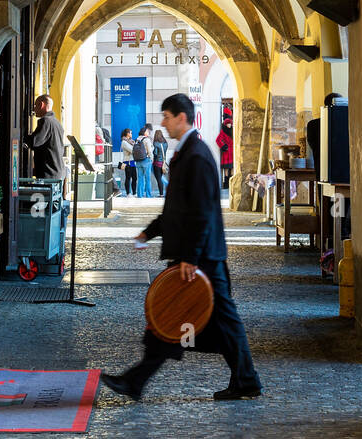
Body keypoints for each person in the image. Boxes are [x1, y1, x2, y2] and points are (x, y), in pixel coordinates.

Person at [100, 93, 262, 402]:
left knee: (181, 316)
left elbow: (201, 212)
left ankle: (245, 379)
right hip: (197, 255)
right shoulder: (188, 152)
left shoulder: (197, 155)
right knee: (178, 317)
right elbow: (177, 207)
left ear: (181, 119)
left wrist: (190, 257)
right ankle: (244, 379)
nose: (163, 122)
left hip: (203, 258)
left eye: (167, 116)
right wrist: (148, 234)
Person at [23, 95, 70, 242]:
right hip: (57, 172)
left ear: (43, 105)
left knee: (43, 212)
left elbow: (36, 141)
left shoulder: (45, 122)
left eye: (36, 105)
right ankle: (55, 238)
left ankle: (42, 239)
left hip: (49, 174)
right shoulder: (57, 123)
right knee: (55, 209)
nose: (34, 109)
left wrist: (22, 136)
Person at [134, 124, 154, 198]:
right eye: (147, 131)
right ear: (144, 132)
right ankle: (148, 195)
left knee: (140, 179)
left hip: (138, 161)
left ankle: (140, 195)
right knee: (147, 179)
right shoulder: (146, 139)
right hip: (146, 160)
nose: (148, 132)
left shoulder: (137, 139)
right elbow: (149, 151)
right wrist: (151, 158)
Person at [215, 110, 234, 189]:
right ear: (225, 124)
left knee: (232, 167)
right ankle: (226, 184)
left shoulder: (233, 130)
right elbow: (218, 140)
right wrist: (224, 146)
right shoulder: (223, 132)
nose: (229, 125)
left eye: (230, 123)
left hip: (232, 152)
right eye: (228, 123)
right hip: (227, 152)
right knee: (226, 169)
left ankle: (232, 184)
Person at [119, 128, 136, 196]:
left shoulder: (130, 141)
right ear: (127, 134)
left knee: (134, 178)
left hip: (132, 162)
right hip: (127, 162)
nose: (131, 134)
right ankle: (128, 193)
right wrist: (136, 147)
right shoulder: (124, 142)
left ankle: (134, 193)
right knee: (128, 178)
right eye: (130, 133)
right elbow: (132, 150)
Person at [151, 127, 168, 194]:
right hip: (163, 163)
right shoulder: (165, 143)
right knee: (161, 178)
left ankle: (161, 193)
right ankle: (162, 193)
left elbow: (155, 153)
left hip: (157, 163)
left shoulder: (155, 143)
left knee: (159, 179)